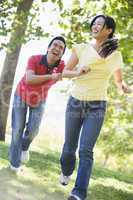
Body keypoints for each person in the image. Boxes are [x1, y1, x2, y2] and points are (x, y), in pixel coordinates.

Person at [59, 15, 131, 200]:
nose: (95, 26)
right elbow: (65, 72)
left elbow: (118, 80)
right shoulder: (81, 48)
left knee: (85, 150)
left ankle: (79, 193)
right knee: (69, 148)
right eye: (94, 23)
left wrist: (123, 87)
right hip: (76, 101)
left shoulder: (114, 55)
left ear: (108, 30)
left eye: (100, 24)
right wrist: (78, 72)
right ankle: (66, 171)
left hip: (97, 105)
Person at [9, 36, 66, 172]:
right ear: (48, 47)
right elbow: (29, 79)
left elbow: (71, 72)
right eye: (55, 45)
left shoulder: (61, 66)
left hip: (40, 99)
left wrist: (83, 70)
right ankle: (15, 165)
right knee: (17, 130)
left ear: (62, 54)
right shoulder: (34, 59)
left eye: (61, 48)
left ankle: (25, 146)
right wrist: (51, 76)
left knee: (33, 130)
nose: (57, 48)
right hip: (21, 95)